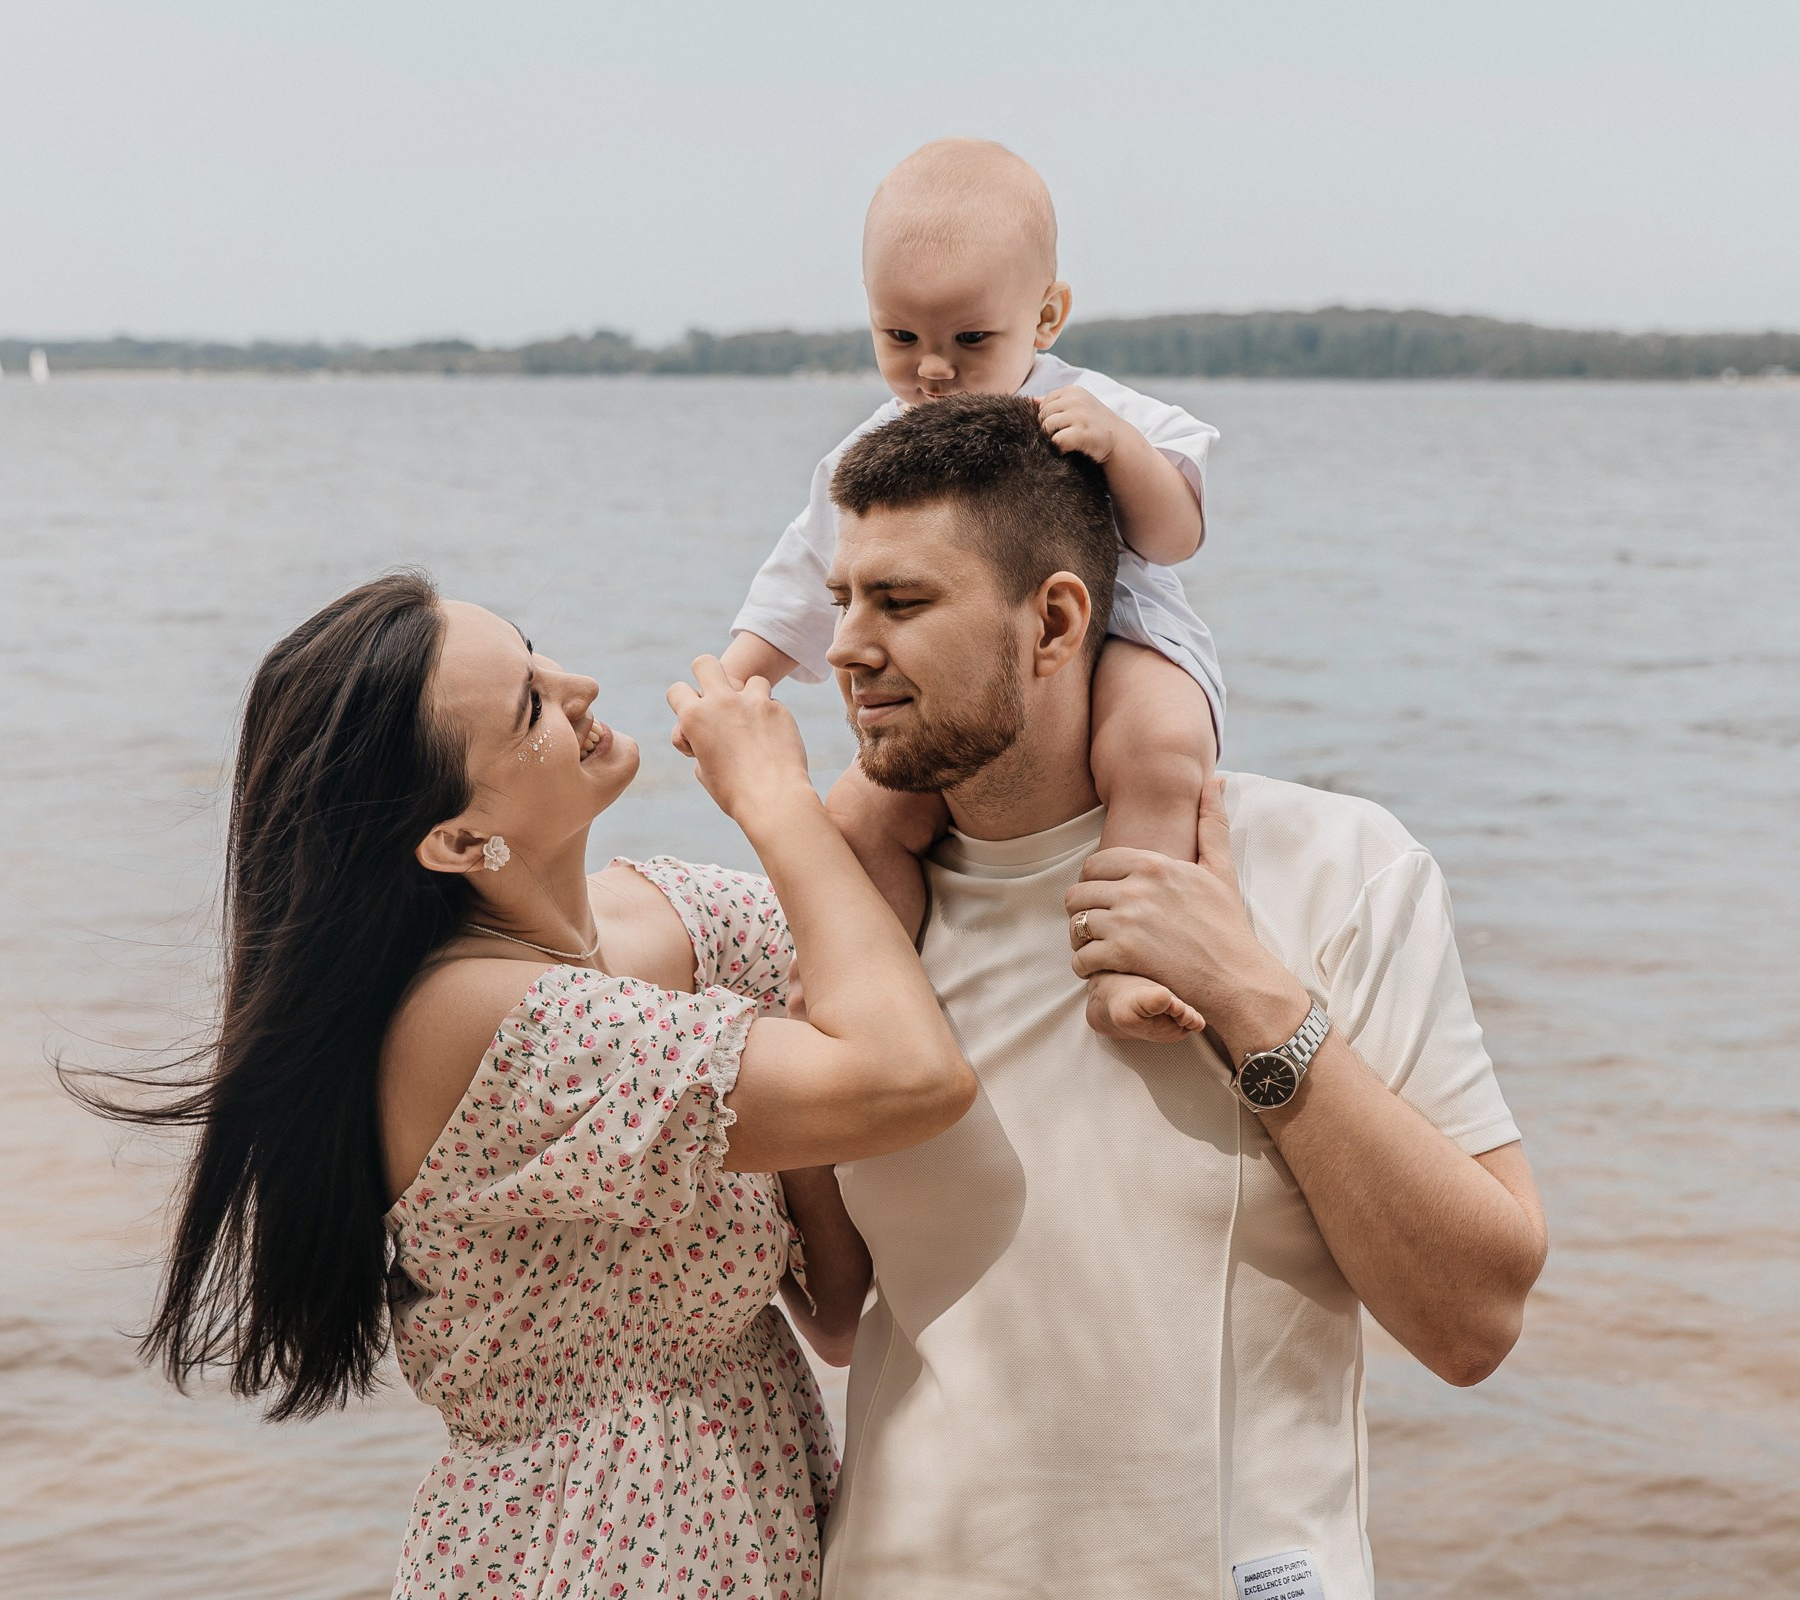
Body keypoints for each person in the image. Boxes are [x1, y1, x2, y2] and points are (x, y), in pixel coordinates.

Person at [85, 573, 974, 1599]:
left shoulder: (675, 911)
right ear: (461, 841)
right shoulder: (478, 1022)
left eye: (539, 656)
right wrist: (778, 803)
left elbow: (832, 1298)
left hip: (756, 1508)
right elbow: (909, 1077)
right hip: (583, 1547)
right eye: (532, 707)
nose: (581, 685)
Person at [809, 396, 1550, 1600]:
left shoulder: (1339, 869)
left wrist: (1257, 1001)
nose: (844, 645)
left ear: (1055, 619)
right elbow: (831, 1309)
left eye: (899, 603)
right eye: (840, 599)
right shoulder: (850, 914)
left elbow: (1476, 1321)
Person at [723, 137, 1223, 1043]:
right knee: (862, 813)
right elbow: (806, 569)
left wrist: (1121, 449)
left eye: (970, 339)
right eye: (900, 338)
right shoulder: (871, 449)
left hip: (1134, 638)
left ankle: (1127, 962)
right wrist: (740, 675)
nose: (934, 370)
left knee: (1156, 751)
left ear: (1046, 315)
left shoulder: (1102, 408)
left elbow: (1174, 536)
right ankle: (861, 975)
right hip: (973, 678)